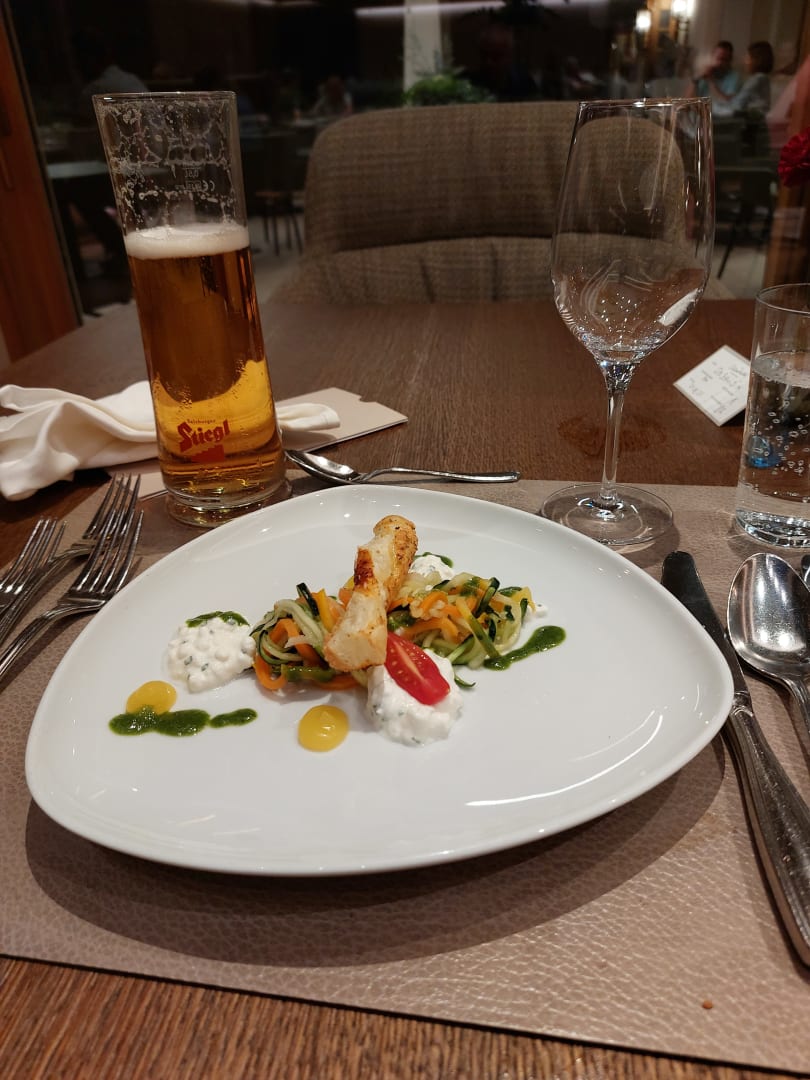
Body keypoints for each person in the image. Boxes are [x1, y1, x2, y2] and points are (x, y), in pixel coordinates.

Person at [463, 22, 538, 102]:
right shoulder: (469, 84)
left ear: (510, 56)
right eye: (484, 55)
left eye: (496, 56)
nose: (488, 62)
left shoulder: (524, 83)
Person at [712, 41, 774, 118]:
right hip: (753, 117)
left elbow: (738, 105)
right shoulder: (762, 78)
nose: (745, 62)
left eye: (748, 58)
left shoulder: (758, 79)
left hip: (753, 121)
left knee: (713, 107)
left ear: (756, 60)